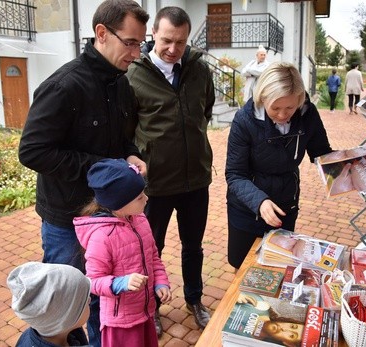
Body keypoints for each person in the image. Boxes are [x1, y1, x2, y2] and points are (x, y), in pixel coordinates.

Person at [17, 1, 149, 345]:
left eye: (140, 44)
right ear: (102, 34)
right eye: (130, 42)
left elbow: (121, 139)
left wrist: (130, 155)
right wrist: (102, 168)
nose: (136, 53)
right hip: (66, 220)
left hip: (108, 216)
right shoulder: (63, 85)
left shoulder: (121, 84)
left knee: (102, 298)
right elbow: (32, 151)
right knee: (66, 309)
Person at [125, 6, 215, 335]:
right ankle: (152, 308)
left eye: (180, 41)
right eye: (166, 40)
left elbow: (204, 111)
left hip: (195, 180)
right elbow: (128, 129)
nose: (173, 49)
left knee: (194, 247)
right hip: (155, 185)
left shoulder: (199, 71)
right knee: (152, 250)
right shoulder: (134, 74)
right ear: (153, 35)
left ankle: (195, 299)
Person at [225, 62, 333, 270]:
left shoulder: (307, 115)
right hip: (247, 209)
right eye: (275, 108)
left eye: (290, 108)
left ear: (299, 101)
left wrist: (349, 165)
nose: (283, 115)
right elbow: (235, 174)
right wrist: (259, 202)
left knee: (279, 266)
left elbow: (321, 153)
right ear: (263, 97)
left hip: (285, 204)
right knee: (244, 269)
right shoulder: (244, 120)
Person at [74, 158, 172, 347]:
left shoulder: (141, 219)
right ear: (118, 203)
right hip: (121, 324)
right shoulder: (102, 236)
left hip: (145, 312)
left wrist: (160, 282)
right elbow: (92, 281)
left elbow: (153, 256)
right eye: (139, 196)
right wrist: (121, 283)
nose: (146, 198)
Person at [6, 262, 92, 347]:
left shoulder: (66, 329)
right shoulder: (66, 329)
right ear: (65, 318)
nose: (89, 300)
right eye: (84, 300)